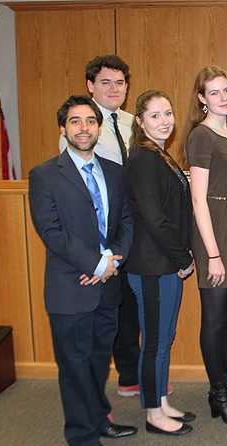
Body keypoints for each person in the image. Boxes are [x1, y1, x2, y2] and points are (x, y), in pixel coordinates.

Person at [29, 95, 136, 446]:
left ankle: (98, 420)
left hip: (108, 285)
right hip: (70, 288)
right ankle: (82, 440)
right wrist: (94, 265)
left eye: (90, 121)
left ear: (98, 127)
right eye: (75, 121)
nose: (84, 128)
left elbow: (125, 221)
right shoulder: (44, 175)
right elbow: (52, 231)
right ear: (63, 128)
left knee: (96, 360)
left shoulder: (115, 171)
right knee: (74, 366)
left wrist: (113, 262)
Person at [59, 55, 144, 398]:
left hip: (131, 230)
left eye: (120, 83)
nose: (114, 89)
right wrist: (93, 252)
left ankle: (129, 375)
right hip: (97, 236)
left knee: (129, 306)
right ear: (90, 86)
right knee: (99, 317)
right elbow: (72, 192)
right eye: (105, 82)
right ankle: (93, 396)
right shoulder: (81, 125)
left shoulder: (132, 122)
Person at [181, 65, 227, 425]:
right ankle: (220, 392)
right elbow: (198, 201)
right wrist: (211, 253)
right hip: (212, 231)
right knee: (216, 318)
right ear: (201, 99)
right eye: (214, 92)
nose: (223, 97)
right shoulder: (201, 136)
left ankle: (221, 386)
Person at [125, 90, 195, 436]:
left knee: (164, 337)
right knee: (154, 341)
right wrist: (183, 257)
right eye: (155, 115)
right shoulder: (141, 158)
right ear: (140, 121)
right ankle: (153, 413)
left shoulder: (159, 154)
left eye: (168, 113)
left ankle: (161, 400)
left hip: (164, 263)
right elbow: (155, 218)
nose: (164, 121)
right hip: (152, 265)